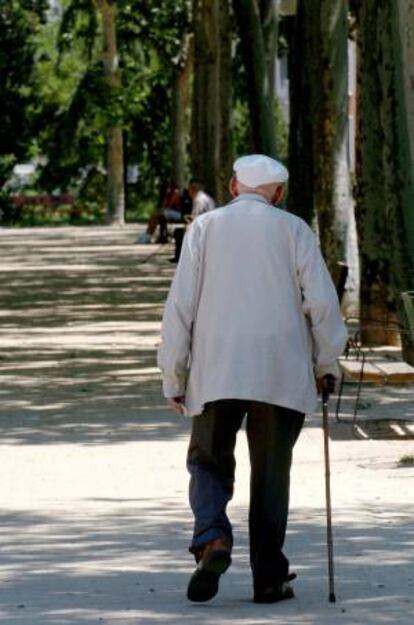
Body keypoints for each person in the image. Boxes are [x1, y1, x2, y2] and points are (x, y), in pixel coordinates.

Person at [157, 154, 347, 604]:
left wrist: (174, 373)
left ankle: (212, 539)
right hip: (280, 369)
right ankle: (268, 575)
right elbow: (321, 304)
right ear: (278, 193)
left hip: (215, 366)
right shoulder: (295, 229)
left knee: (207, 460)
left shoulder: (204, 228)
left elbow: (180, 306)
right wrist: (326, 364)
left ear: (232, 186)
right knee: (271, 472)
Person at [137, 180, 189, 244]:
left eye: (169, 187)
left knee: (158, 214)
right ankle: (149, 233)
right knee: (156, 215)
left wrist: (168, 197)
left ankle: (148, 234)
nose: (168, 189)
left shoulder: (176, 193)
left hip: (180, 214)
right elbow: (165, 205)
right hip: (174, 212)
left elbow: (169, 205)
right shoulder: (170, 193)